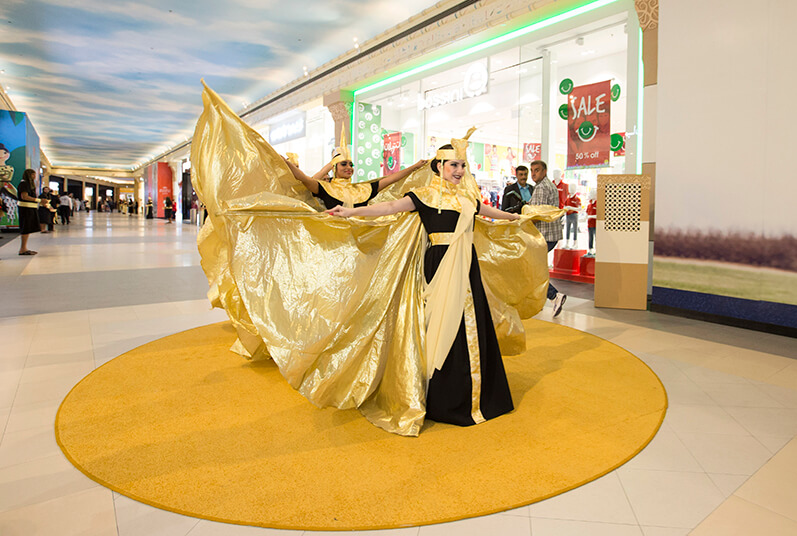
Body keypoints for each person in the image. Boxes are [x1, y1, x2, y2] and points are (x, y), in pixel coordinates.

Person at [328, 139, 519, 427]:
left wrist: (515, 217)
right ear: (439, 166)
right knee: (441, 324)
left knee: (470, 324)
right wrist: (350, 211)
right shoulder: (423, 195)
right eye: (453, 164)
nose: (459, 170)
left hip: (467, 266)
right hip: (438, 264)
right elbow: (389, 206)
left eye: (463, 165)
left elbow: (491, 213)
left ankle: (477, 396)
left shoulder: (467, 200)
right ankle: (442, 397)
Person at [283, 126, 426, 210]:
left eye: (351, 165)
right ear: (334, 168)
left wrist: (415, 166)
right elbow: (302, 177)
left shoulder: (363, 189)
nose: (349, 168)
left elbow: (391, 178)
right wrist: (284, 163)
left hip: (360, 241)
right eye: (344, 164)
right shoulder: (325, 188)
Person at [529, 160, 567, 317]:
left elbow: (537, 214)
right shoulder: (547, 185)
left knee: (531, 267)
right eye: (532, 170)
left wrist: (520, 221)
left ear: (544, 171)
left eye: (536, 170)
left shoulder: (541, 188)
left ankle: (553, 295)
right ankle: (552, 296)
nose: (533, 174)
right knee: (534, 267)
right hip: (549, 235)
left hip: (544, 234)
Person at [16, 168, 40, 255]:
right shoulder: (24, 184)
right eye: (33, 175)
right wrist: (38, 200)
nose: (34, 177)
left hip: (29, 208)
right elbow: (24, 196)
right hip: (25, 209)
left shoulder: (27, 184)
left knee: (27, 227)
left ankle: (24, 247)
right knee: (25, 227)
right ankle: (23, 249)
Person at [586, 191, 597, 256]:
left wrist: (591, 216)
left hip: (596, 224)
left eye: (591, 193)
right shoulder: (589, 205)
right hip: (589, 224)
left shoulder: (598, 204)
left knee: (596, 238)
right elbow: (586, 214)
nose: (590, 195)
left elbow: (600, 216)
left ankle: (596, 250)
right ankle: (590, 250)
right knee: (590, 238)